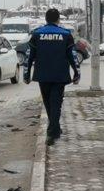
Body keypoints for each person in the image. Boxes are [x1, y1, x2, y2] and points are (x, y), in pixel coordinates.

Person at [23, 8, 80, 145]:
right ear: (58, 19)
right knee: (56, 104)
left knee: (49, 103)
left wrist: (26, 74)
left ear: (46, 19)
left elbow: (29, 56)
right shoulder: (66, 34)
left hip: (43, 75)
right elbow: (72, 56)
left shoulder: (37, 34)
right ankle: (53, 131)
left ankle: (53, 131)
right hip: (60, 75)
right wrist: (77, 72)